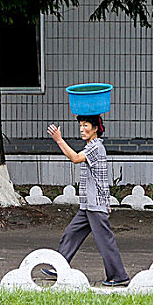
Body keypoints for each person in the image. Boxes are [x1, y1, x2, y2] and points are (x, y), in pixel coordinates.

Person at [45, 115, 130, 287]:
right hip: (88, 204)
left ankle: (119, 276)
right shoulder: (91, 146)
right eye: (80, 125)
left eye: (86, 126)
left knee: (105, 241)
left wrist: (59, 140)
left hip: (95, 204)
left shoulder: (96, 147)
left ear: (96, 128)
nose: (82, 129)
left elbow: (75, 158)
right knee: (72, 233)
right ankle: (59, 267)